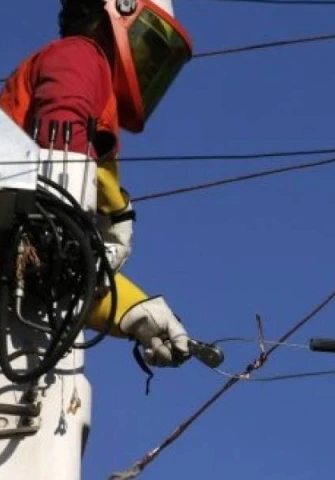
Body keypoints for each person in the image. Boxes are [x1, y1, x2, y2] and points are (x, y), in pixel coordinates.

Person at [0, 1, 194, 478]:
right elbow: (63, 122)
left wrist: (134, 310)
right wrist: (74, 204)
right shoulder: (81, 56)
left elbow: (56, 276)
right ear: (121, 11)